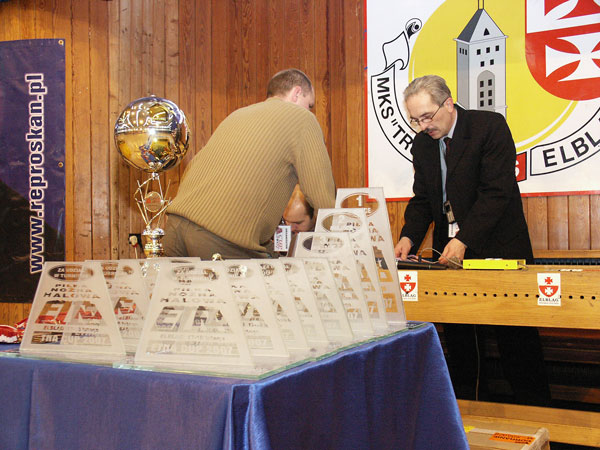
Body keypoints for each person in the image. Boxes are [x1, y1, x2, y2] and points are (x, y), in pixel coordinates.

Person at [394, 75, 550, 406]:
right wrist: (408, 236)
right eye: (415, 119)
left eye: (427, 117)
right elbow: (423, 199)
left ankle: (536, 411)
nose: (422, 126)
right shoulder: (422, 145)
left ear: (448, 104)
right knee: (462, 336)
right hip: (449, 250)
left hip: (499, 246)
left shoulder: (488, 127)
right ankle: (470, 409)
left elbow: (496, 192)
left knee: (515, 337)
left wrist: (465, 238)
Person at [163, 68, 335, 260]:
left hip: (175, 228)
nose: (310, 111)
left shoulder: (238, 114)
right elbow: (320, 193)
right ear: (296, 93)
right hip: (219, 238)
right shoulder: (302, 119)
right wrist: (339, 244)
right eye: (310, 104)